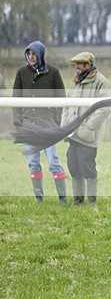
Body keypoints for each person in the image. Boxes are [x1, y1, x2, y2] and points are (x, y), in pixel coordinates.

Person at [12, 40, 68, 203]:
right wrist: (18, 122)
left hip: (48, 126)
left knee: (53, 162)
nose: (31, 57)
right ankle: (39, 199)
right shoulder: (21, 72)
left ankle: (62, 198)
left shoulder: (54, 72)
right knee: (33, 163)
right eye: (28, 54)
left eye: (33, 54)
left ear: (40, 55)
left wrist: (57, 121)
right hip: (28, 126)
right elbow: (16, 98)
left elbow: (61, 97)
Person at [61, 51, 111, 206]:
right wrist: (65, 127)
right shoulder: (75, 82)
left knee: (87, 168)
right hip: (72, 134)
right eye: (76, 64)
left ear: (88, 65)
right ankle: (77, 201)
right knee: (73, 167)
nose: (76, 67)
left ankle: (91, 202)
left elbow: (104, 108)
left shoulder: (101, 81)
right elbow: (67, 106)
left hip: (88, 136)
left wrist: (88, 127)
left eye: (79, 64)